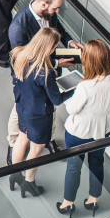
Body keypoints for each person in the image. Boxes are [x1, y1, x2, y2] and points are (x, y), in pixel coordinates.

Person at [5, 0, 85, 164]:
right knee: (20, 111)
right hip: (29, 79)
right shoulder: (19, 26)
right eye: (55, 8)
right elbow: (22, 61)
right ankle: (13, 143)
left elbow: (58, 29)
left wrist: (69, 42)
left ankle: (47, 138)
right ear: (43, 4)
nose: (57, 12)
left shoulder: (48, 14)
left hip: (48, 71)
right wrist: (56, 63)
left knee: (50, 105)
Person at [56, 40, 110, 218]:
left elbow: (71, 109)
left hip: (78, 133)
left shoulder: (85, 86)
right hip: (103, 131)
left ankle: (67, 204)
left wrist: (70, 93)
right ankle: (93, 199)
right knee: (97, 162)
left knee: (74, 167)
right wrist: (106, 102)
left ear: (89, 61)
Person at [8, 28, 73, 198]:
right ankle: (29, 182)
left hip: (23, 107)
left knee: (22, 138)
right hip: (39, 116)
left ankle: (14, 175)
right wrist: (76, 88)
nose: (54, 50)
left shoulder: (18, 54)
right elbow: (57, 99)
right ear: (48, 48)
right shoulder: (44, 72)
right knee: (36, 150)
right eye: (54, 47)